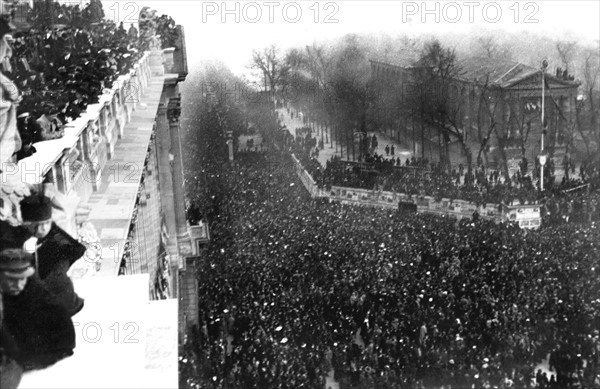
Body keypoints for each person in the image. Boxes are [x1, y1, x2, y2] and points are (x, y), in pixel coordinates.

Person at [0, 248, 76, 371]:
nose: (19, 285)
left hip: (42, 358)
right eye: (11, 279)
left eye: (22, 279)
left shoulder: (40, 300)